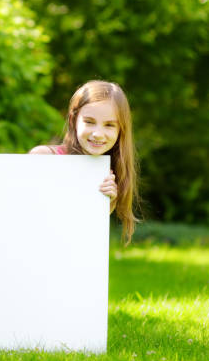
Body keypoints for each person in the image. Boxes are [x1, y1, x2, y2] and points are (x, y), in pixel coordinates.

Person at [29, 80, 139, 243]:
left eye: (109, 125)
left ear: (120, 130)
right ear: (74, 120)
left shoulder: (108, 178)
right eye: (89, 122)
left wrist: (107, 205)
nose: (98, 134)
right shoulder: (44, 157)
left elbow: (82, 236)